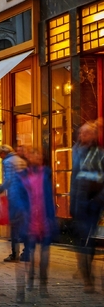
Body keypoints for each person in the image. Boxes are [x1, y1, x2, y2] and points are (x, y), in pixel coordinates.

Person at [70, 122, 103, 293]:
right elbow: (74, 178)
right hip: (79, 203)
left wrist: (98, 200)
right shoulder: (77, 152)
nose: (82, 136)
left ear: (94, 135)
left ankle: (87, 276)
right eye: (81, 133)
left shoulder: (100, 154)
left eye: (86, 133)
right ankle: (86, 275)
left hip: (92, 204)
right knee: (81, 241)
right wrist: (71, 202)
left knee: (88, 242)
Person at [19, 147, 56, 300]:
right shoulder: (23, 175)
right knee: (31, 251)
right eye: (34, 154)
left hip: (44, 217)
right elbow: (20, 196)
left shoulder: (46, 173)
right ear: (29, 157)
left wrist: (52, 217)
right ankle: (30, 279)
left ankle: (43, 285)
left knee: (45, 254)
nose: (37, 157)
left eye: (39, 155)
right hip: (30, 219)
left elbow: (49, 197)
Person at [0, 144, 28, 262]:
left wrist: (0, 189)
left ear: (3, 153)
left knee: (14, 226)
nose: (0, 158)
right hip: (25, 196)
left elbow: (8, 179)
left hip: (15, 196)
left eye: (0, 155)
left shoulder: (7, 162)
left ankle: (14, 254)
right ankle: (27, 253)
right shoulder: (21, 160)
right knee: (24, 225)